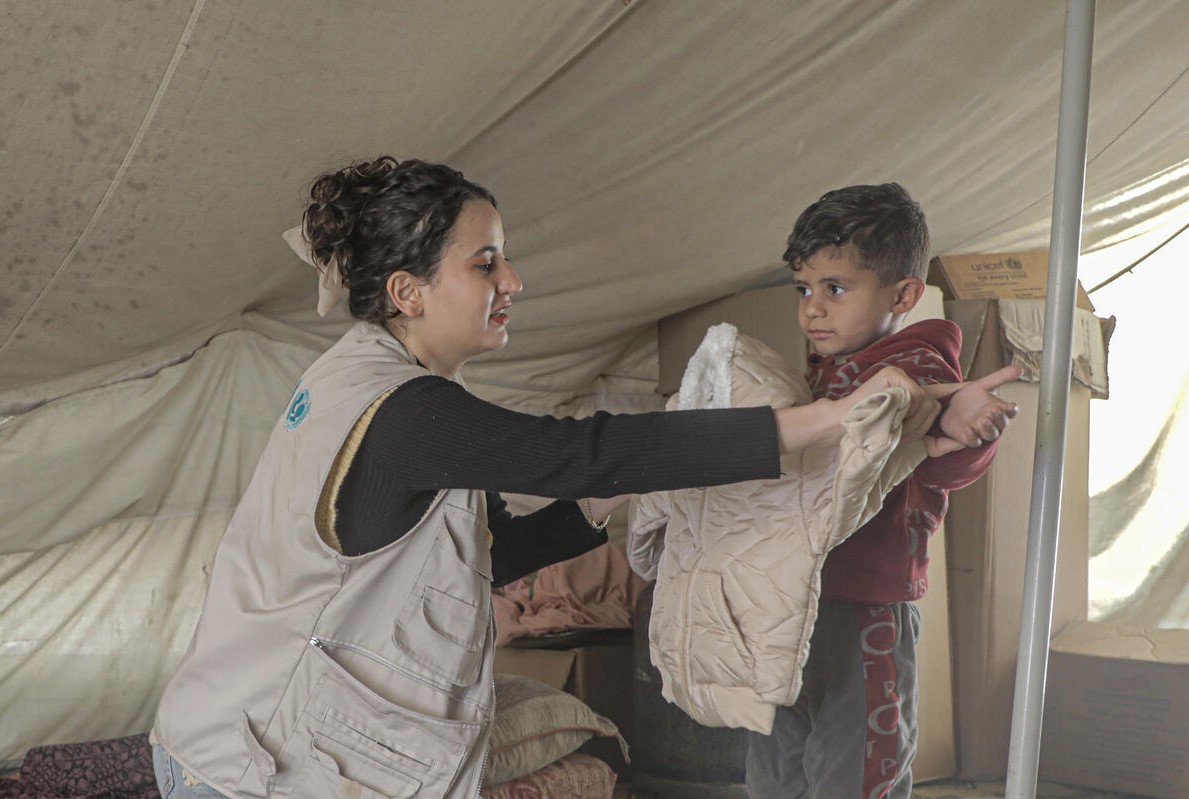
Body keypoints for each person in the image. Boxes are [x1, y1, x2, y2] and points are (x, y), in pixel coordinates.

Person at [149, 158, 1017, 799]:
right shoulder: (406, 410)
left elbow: (491, 550)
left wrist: (615, 501)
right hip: (254, 761)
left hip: (235, 731)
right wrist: (816, 422)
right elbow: (579, 450)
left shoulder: (363, 379)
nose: (513, 280)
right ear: (408, 291)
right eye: (485, 262)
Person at [744, 182, 1017, 799]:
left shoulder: (918, 369)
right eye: (803, 289)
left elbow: (935, 444)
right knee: (776, 770)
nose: (813, 308)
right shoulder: (819, 375)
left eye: (836, 288)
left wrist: (966, 422)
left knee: (859, 771)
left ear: (903, 294)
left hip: (866, 608)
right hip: (790, 599)